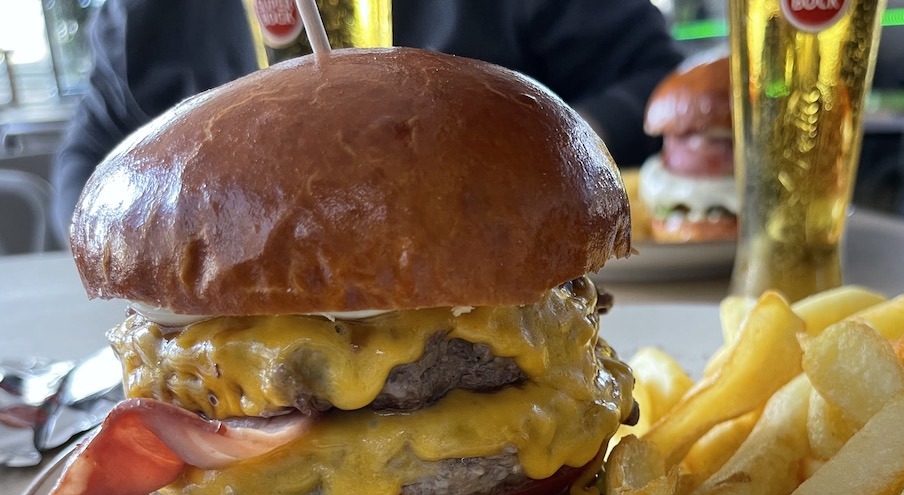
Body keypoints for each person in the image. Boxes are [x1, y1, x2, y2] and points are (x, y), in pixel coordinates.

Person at [51, 0, 683, 239]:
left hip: (501, 264)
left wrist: (538, 170)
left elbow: (654, 72)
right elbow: (87, 163)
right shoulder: (140, 18)